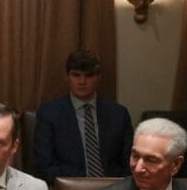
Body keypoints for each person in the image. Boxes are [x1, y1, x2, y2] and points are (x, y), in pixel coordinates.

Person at [34, 49, 133, 183]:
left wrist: (120, 188)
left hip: (113, 187)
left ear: (99, 77)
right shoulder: (49, 114)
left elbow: (129, 161)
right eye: (76, 75)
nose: (82, 81)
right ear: (67, 77)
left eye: (89, 76)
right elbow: (44, 163)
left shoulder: (119, 114)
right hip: (68, 187)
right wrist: (70, 187)